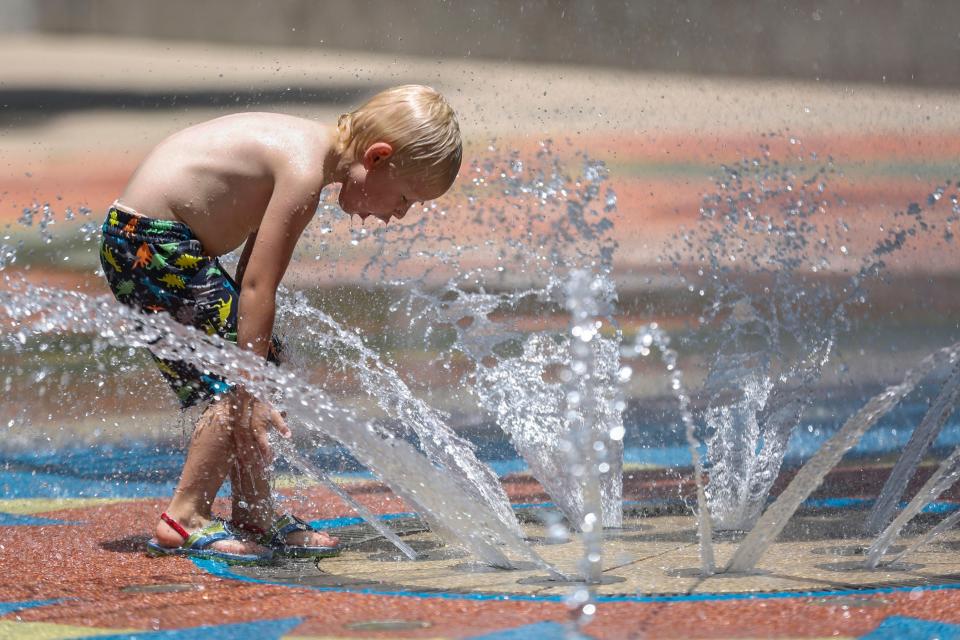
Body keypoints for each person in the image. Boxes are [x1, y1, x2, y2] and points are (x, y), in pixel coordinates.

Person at [98, 85, 462, 563]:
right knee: (236, 379)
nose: (398, 213)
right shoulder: (303, 170)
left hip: (146, 241)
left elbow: (252, 276)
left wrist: (259, 375)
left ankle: (254, 511)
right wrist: (251, 384)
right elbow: (257, 289)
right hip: (152, 244)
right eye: (406, 197)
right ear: (377, 157)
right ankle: (183, 517)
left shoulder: (305, 151)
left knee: (258, 363)